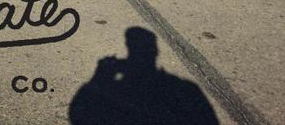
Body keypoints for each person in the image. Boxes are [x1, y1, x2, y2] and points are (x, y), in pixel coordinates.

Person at [69, 27, 218, 125]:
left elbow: (78, 114)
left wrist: (100, 76)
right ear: (155, 51)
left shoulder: (184, 88)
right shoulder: (185, 88)